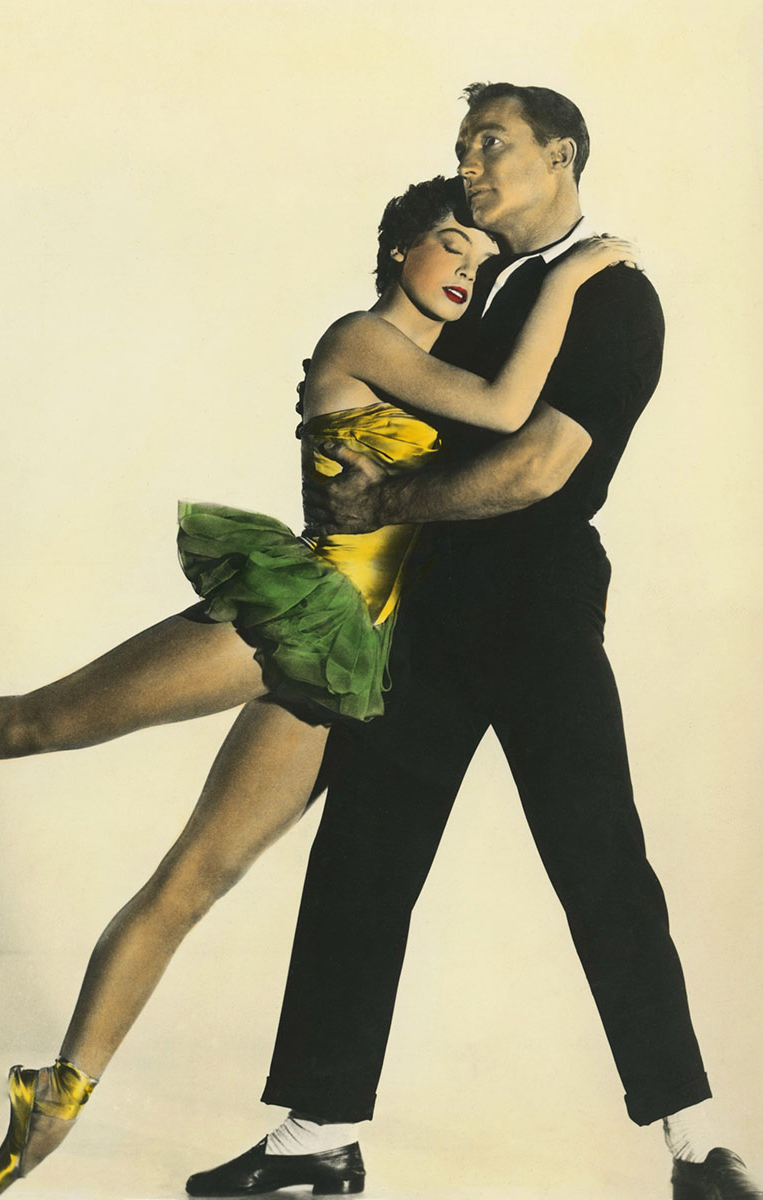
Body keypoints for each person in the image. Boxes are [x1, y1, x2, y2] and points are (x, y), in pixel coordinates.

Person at [0, 178, 632, 1198]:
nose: (466, 269)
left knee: (193, 882)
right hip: (300, 607)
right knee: (37, 722)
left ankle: (60, 1091)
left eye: (482, 261)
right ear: (400, 246)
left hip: (356, 660)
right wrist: (575, 272)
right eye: (451, 244)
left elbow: (514, 448)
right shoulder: (362, 338)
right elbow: (508, 411)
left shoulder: (447, 366)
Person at [185, 84, 762, 1200]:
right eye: (462, 147)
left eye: (491, 143)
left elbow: (537, 466)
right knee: (362, 855)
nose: (470, 164)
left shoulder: (614, 295)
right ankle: (318, 1137)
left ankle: (697, 1142)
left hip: (535, 601)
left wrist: (384, 497)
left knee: (596, 857)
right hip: (429, 604)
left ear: (563, 153)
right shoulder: (473, 287)